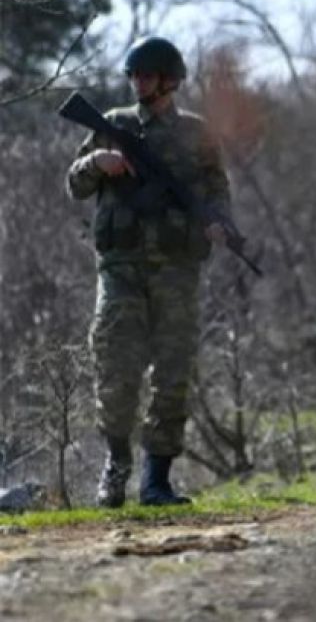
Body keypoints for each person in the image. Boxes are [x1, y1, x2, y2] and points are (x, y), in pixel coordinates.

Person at [66, 36, 232, 507]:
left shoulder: (197, 133)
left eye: (148, 76)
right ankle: (115, 468)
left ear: (170, 80)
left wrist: (220, 222)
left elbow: (218, 190)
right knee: (115, 367)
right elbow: (75, 185)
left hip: (177, 271)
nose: (139, 83)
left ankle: (156, 480)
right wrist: (97, 161)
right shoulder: (113, 125)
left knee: (173, 373)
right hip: (120, 269)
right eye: (134, 75)